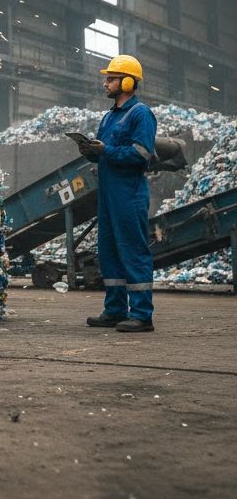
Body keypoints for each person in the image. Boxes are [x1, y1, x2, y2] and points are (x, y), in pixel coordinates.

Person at [80, 54, 157, 333]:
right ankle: (114, 310)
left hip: (129, 194)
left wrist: (106, 151)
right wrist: (91, 152)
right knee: (109, 251)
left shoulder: (140, 114)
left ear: (127, 81)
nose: (105, 83)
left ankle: (141, 314)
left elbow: (141, 154)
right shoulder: (109, 117)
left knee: (133, 251)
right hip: (109, 195)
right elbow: (105, 154)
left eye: (111, 78)